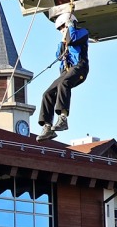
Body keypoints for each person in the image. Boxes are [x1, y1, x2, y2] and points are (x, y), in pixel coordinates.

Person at [37, 12, 90, 141]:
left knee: (64, 83)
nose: (61, 30)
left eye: (63, 27)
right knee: (47, 93)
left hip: (79, 67)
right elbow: (59, 56)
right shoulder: (64, 42)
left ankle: (63, 118)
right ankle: (47, 126)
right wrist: (62, 41)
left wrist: (70, 26)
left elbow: (73, 40)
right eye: (60, 28)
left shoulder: (82, 32)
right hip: (67, 71)